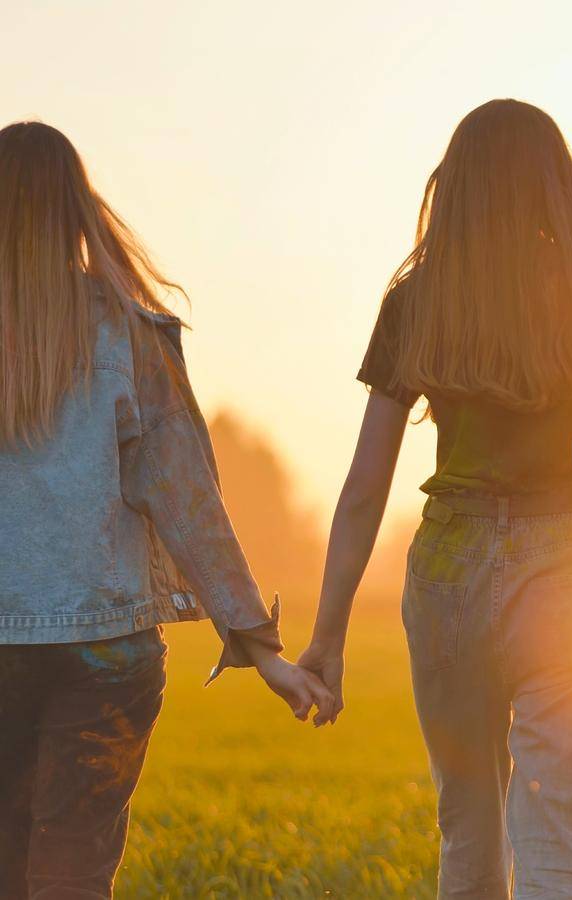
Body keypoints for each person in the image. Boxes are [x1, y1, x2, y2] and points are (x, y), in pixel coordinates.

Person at [296, 99, 572, 899]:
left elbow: (363, 488)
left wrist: (328, 634)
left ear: (453, 189)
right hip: (571, 566)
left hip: (449, 568)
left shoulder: (419, 300)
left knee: (470, 836)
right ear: (557, 185)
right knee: (557, 847)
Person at [0, 120, 331, 898]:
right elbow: (189, 502)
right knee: (73, 874)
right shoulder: (129, 332)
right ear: (75, 209)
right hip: (106, 649)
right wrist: (258, 644)